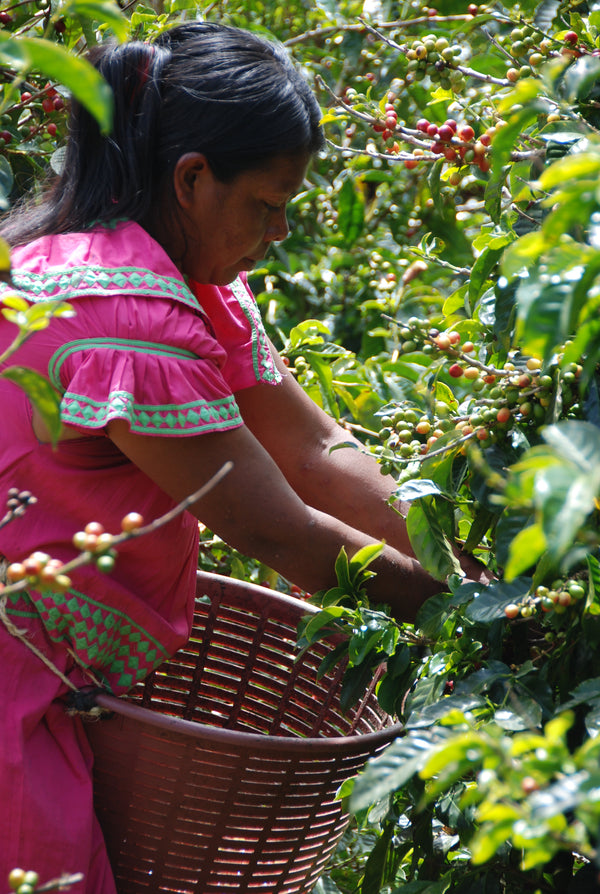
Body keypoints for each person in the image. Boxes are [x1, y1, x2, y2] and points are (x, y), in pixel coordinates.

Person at [0, 21, 488, 893]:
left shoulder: (170, 281)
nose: (277, 231)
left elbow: (312, 450)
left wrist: (468, 564)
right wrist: (488, 623)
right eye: (267, 204)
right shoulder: (125, 321)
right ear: (192, 180)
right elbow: (285, 532)